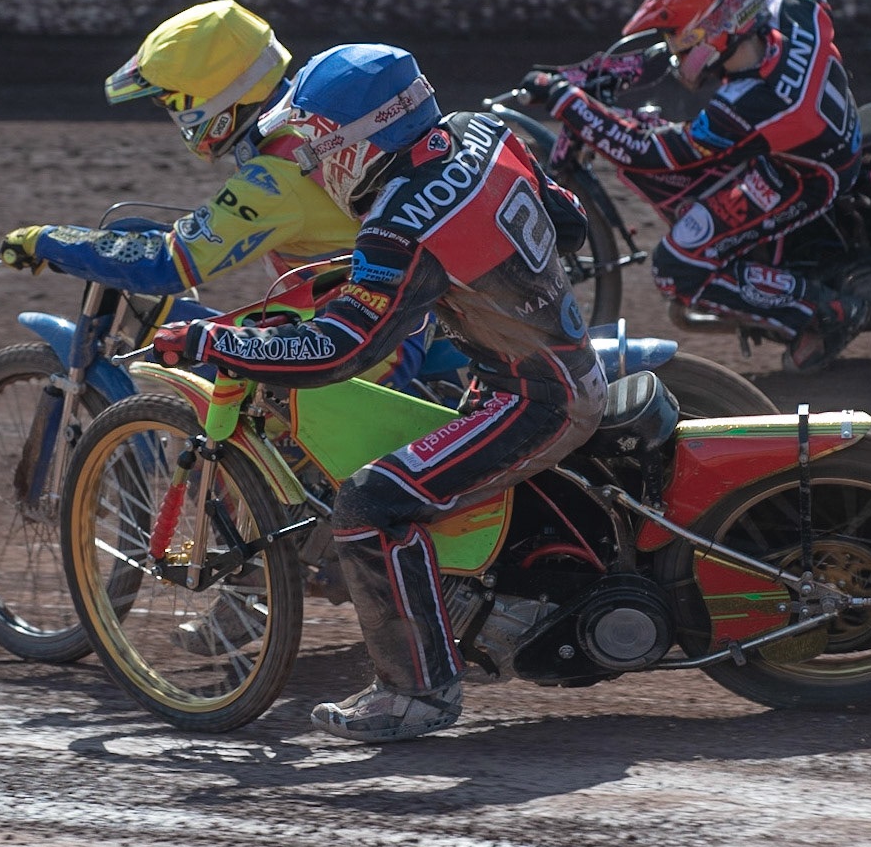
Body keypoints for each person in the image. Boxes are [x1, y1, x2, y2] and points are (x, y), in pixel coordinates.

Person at [148, 43, 608, 742]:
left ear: (360, 144)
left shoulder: (400, 222)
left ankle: (415, 692)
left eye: (317, 144)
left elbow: (337, 348)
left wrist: (217, 341)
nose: (312, 160)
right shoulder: (482, 130)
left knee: (367, 504)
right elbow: (568, 220)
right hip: (548, 367)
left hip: (534, 398)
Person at [0, 0, 427, 390]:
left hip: (360, 350)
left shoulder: (276, 176)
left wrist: (46, 239)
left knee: (224, 410)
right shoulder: (313, 119)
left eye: (172, 104)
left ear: (214, 102)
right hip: (400, 318)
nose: (171, 116)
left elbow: (165, 265)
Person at [522, 0, 871, 373]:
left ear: (720, 26)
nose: (673, 47)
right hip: (823, 134)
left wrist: (567, 101)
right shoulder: (792, 8)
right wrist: (597, 73)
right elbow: (685, 55)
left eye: (678, 36)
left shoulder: (750, 106)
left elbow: (651, 152)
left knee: (679, 266)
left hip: (805, 178)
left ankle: (823, 312)